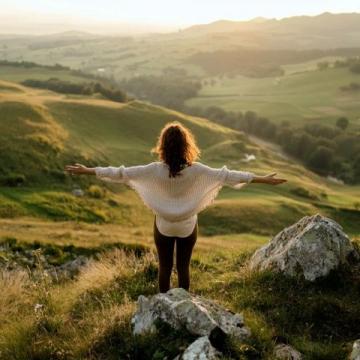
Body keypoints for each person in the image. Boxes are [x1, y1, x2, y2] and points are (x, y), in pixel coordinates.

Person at [65, 121, 286, 293]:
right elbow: (228, 175)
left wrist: (88, 170)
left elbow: (121, 172)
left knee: (164, 267)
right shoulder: (197, 170)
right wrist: (264, 179)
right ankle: (184, 303)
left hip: (164, 226)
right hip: (187, 227)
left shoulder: (153, 169)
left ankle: (163, 303)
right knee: (183, 268)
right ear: (186, 145)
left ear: (163, 146)